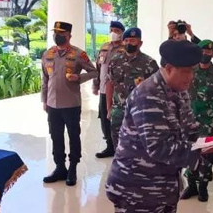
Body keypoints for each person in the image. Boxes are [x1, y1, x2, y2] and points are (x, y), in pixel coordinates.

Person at [106, 40, 202, 213]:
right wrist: (200, 154)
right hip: (136, 190)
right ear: (168, 68)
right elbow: (158, 147)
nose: (190, 77)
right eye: (186, 71)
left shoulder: (178, 90)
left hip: (163, 188)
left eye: (192, 71)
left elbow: (191, 127)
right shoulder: (148, 94)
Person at [41, 21, 98, 186]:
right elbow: (44, 79)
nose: (57, 36)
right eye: (55, 33)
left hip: (71, 104)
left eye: (61, 34)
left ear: (69, 36)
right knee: (55, 136)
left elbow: (94, 71)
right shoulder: (48, 54)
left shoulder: (79, 54)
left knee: (74, 136)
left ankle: (73, 167)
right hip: (52, 104)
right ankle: (60, 167)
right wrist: (44, 100)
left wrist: (79, 78)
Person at [181, 40, 213, 201]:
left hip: (210, 122)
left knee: (206, 156)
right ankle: (191, 186)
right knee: (190, 152)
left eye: (209, 51)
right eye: (203, 51)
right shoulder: (188, 71)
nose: (205, 54)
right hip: (189, 120)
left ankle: (203, 187)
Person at [106, 27, 159, 150]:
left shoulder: (149, 63)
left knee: (137, 147)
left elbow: (157, 89)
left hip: (139, 111)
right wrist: (109, 108)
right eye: (127, 40)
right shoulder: (115, 60)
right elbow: (110, 83)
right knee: (117, 145)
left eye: (133, 40)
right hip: (118, 110)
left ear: (140, 43)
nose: (129, 43)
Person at [93, 21, 126, 158]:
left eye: (116, 30)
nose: (113, 33)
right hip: (103, 90)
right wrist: (96, 84)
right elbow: (98, 68)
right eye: (111, 29)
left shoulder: (125, 49)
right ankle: (109, 146)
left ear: (122, 32)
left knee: (119, 120)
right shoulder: (104, 47)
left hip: (119, 92)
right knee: (104, 119)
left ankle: (121, 147)